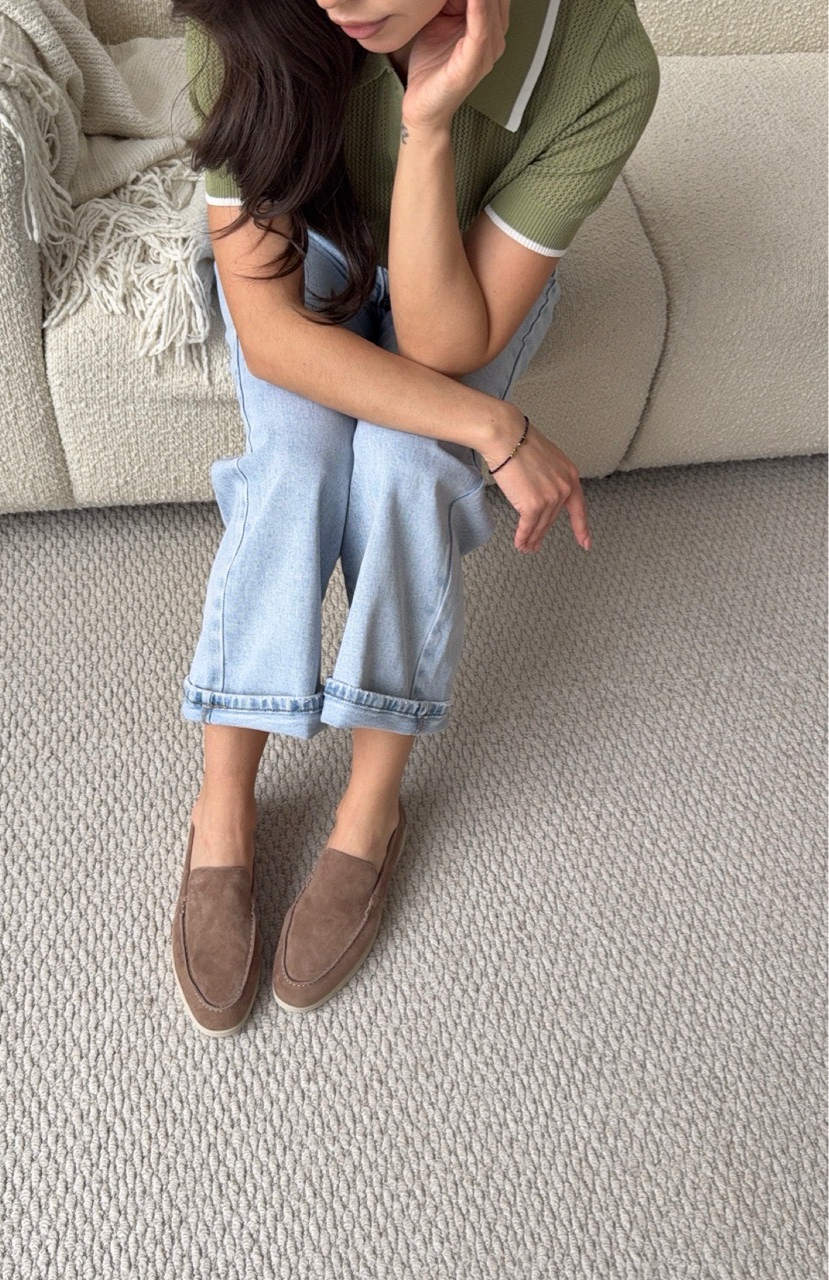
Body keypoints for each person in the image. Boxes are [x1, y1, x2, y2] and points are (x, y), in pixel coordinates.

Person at [169, 0, 660, 1035]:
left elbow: (444, 342)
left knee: (402, 466)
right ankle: (223, 804)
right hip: (308, 246)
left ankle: (370, 807)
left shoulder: (601, 60)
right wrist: (494, 426)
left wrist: (429, 125)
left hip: (464, 274)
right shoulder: (256, 12)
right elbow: (272, 334)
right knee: (297, 462)